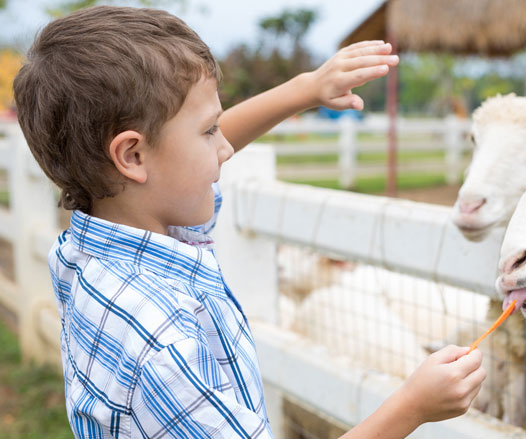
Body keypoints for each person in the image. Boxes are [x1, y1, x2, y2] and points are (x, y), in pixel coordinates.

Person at [13, 6, 486, 439]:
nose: (225, 150)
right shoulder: (163, 340)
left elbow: (174, 160)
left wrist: (303, 90)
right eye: (209, 131)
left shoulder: (91, 247)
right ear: (132, 155)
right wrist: (412, 407)